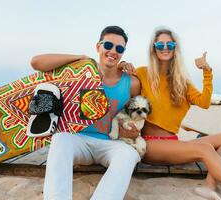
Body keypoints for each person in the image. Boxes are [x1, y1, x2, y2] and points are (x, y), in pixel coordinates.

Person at [121, 28, 221, 200]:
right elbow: (119, 81)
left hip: (172, 143)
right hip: (149, 145)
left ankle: (209, 186)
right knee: (205, 149)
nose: (165, 47)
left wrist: (207, 72)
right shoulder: (143, 73)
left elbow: (204, 102)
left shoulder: (181, 81)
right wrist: (123, 64)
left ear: (175, 48)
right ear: (153, 48)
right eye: (160, 44)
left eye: (170, 44)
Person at [31, 26, 141, 200]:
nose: (113, 51)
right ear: (98, 46)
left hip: (110, 144)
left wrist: (133, 130)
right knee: (60, 138)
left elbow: (137, 115)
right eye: (108, 45)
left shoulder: (132, 83)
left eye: (119, 48)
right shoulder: (80, 71)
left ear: (123, 52)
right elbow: (36, 62)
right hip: (78, 140)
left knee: (129, 154)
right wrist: (81, 57)